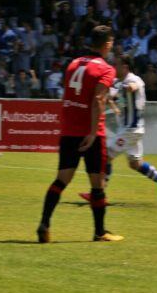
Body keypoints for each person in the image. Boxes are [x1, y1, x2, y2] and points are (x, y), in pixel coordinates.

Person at [37, 25, 123, 243]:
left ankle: (44, 224)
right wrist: (93, 133)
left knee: (61, 180)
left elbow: (70, 95)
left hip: (69, 131)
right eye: (111, 42)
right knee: (97, 184)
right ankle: (100, 231)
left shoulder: (74, 63)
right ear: (107, 44)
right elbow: (97, 100)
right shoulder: (106, 69)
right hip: (90, 133)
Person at [79, 54, 157, 203]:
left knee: (106, 156)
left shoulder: (134, 80)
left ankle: (99, 194)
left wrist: (122, 88)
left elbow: (133, 87)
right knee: (135, 163)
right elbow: (110, 96)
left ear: (125, 67)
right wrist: (111, 102)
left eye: (116, 65)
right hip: (130, 130)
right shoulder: (118, 82)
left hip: (131, 130)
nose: (113, 67)